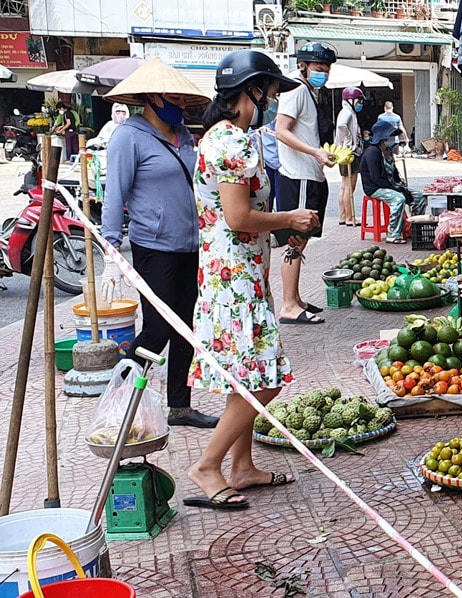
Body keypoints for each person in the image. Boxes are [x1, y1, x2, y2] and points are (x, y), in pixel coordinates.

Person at [184, 50, 315, 510]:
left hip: (234, 273)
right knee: (265, 378)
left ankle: (242, 466)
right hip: (234, 279)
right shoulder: (232, 144)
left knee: (245, 375)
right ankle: (207, 465)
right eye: (271, 93)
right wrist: (291, 219)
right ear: (251, 91)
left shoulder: (222, 137)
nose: (273, 101)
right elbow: (240, 216)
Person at [101, 58, 218, 429]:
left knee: (186, 327)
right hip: (154, 248)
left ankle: (179, 407)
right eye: (174, 99)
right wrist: (110, 249)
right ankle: (121, 399)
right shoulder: (128, 137)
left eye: (184, 101)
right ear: (152, 97)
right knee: (157, 329)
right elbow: (114, 195)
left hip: (191, 245)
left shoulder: (183, 136)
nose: (181, 106)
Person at [274, 41, 337, 325]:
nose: (322, 73)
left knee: (303, 240)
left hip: (312, 176)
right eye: (318, 68)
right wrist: (314, 152)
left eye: (326, 69)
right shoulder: (296, 89)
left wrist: (321, 152)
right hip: (298, 176)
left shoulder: (310, 91)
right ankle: (288, 304)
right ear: (303, 66)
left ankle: (296, 298)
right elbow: (281, 131)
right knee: (294, 242)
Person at [360, 120, 426, 244]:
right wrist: (397, 190)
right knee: (399, 199)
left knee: (419, 197)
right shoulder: (372, 153)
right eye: (390, 137)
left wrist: (401, 186)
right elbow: (377, 179)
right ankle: (393, 234)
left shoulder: (388, 152)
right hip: (375, 188)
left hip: (391, 185)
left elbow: (394, 174)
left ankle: (413, 229)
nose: (393, 140)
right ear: (383, 138)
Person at [335, 86, 364, 226]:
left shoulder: (346, 111)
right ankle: (350, 218)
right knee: (349, 187)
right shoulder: (347, 112)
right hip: (350, 153)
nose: (360, 104)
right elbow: (341, 126)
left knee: (344, 185)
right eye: (359, 100)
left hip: (343, 153)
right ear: (351, 100)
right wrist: (349, 142)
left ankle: (342, 216)